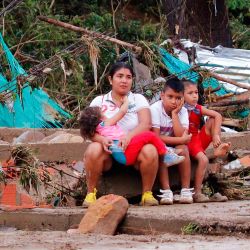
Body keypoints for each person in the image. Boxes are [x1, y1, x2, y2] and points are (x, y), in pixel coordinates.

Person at [82, 62, 160, 207]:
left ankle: (147, 194)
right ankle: (90, 194)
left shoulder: (138, 99)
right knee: (93, 149)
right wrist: (102, 139)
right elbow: (89, 130)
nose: (124, 80)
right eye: (120, 76)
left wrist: (129, 137)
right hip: (108, 153)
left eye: (128, 77)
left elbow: (146, 124)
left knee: (150, 150)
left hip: (134, 150)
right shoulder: (99, 101)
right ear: (110, 79)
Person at [79, 97, 185, 167]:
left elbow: (91, 135)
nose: (105, 113)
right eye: (102, 112)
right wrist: (126, 101)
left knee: (146, 139)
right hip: (125, 155)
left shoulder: (98, 129)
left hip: (121, 154)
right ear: (100, 118)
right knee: (149, 135)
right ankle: (166, 156)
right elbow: (122, 112)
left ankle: (166, 150)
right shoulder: (106, 123)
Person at [183, 80, 230, 202]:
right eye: (190, 93)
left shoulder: (197, 108)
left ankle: (217, 147)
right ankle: (197, 192)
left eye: (196, 92)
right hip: (186, 141)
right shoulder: (179, 109)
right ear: (181, 95)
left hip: (196, 139)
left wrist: (215, 135)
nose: (195, 96)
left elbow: (218, 116)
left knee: (213, 120)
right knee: (203, 159)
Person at [150, 77, 193, 205]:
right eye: (170, 97)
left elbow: (181, 136)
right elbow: (156, 137)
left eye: (178, 98)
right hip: (157, 144)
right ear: (162, 95)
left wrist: (175, 114)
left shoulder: (183, 111)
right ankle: (166, 190)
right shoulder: (155, 109)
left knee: (184, 149)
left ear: (183, 99)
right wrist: (181, 139)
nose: (174, 101)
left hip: (174, 144)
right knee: (162, 150)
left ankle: (185, 189)